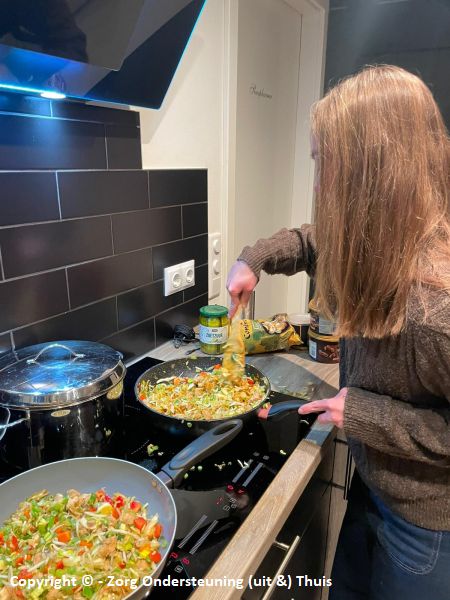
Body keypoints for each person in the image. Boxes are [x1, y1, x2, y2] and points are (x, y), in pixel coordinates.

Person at [226, 65, 450, 600]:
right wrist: (254, 260)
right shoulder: (381, 240)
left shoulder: (435, 309)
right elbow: (312, 240)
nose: (318, 183)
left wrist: (368, 415)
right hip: (374, 486)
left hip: (426, 527)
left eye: (324, 164)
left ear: (371, 177)